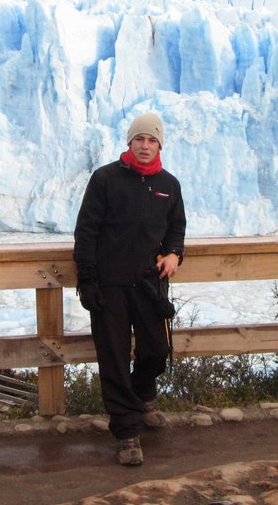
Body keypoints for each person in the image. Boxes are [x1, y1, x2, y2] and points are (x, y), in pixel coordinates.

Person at [73, 111, 186, 466]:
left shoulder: (169, 184)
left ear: (160, 145)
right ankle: (126, 432)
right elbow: (86, 232)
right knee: (115, 359)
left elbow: (176, 227)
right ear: (129, 142)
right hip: (110, 285)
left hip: (150, 284)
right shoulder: (105, 179)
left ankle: (142, 396)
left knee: (157, 349)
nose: (145, 146)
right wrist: (88, 282)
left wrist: (173, 253)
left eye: (152, 140)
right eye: (140, 139)